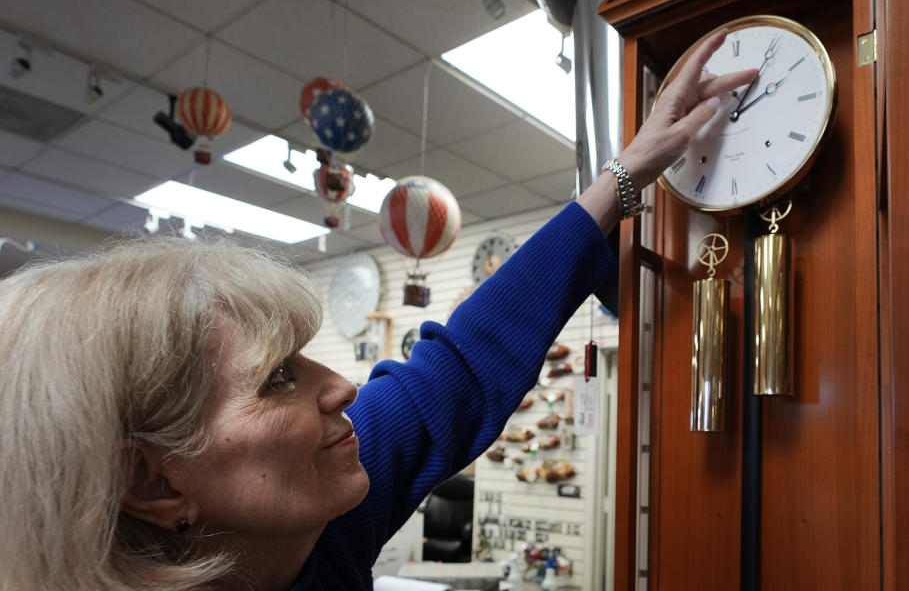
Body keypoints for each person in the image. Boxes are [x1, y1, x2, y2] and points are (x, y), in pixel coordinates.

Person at [0, 31, 752, 591]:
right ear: (157, 485)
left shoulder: (317, 514)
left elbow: (460, 365)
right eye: (276, 379)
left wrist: (627, 173)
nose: (344, 386)